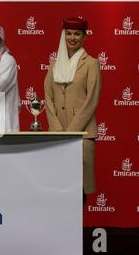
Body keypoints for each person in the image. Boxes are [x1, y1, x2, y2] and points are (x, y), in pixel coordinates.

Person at [44, 17, 102, 204]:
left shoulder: (92, 63)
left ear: (85, 37)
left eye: (77, 34)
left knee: (79, 189)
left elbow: (91, 100)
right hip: (58, 133)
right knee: (60, 185)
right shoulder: (54, 64)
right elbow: (48, 96)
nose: (72, 37)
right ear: (63, 35)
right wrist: (58, 130)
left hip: (82, 134)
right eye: (68, 33)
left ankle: (76, 231)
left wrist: (72, 132)